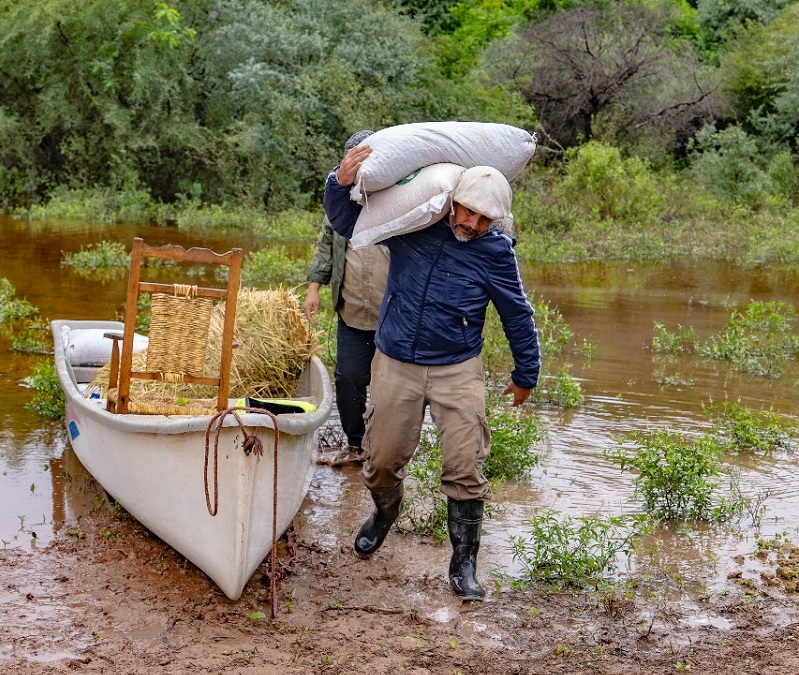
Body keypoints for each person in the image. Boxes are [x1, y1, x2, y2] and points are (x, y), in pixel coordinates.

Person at [323, 143, 541, 601]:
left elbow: (517, 313)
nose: (470, 225)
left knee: (465, 467)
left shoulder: (496, 252)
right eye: (466, 212)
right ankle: (385, 512)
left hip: (457, 369)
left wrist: (527, 373)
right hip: (396, 361)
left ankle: (463, 565)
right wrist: (340, 182)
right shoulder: (413, 225)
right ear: (452, 201)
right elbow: (347, 223)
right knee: (381, 461)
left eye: (483, 220)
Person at [304, 130, 390, 466]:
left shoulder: (400, 199)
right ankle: (356, 446)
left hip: (392, 312)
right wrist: (314, 288)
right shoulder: (339, 203)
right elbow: (326, 246)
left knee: (389, 385)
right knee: (349, 378)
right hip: (352, 308)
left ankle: (384, 449)